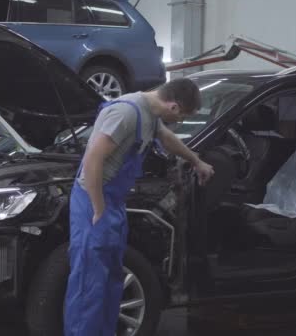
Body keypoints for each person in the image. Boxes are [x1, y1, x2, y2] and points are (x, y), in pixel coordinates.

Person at [64, 78, 215, 336]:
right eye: (181, 117)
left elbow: (166, 138)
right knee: (89, 284)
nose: (177, 123)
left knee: (111, 280)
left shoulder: (150, 113)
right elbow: (92, 161)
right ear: (174, 107)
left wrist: (195, 161)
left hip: (113, 202)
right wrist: (98, 209)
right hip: (93, 199)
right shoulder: (125, 113)